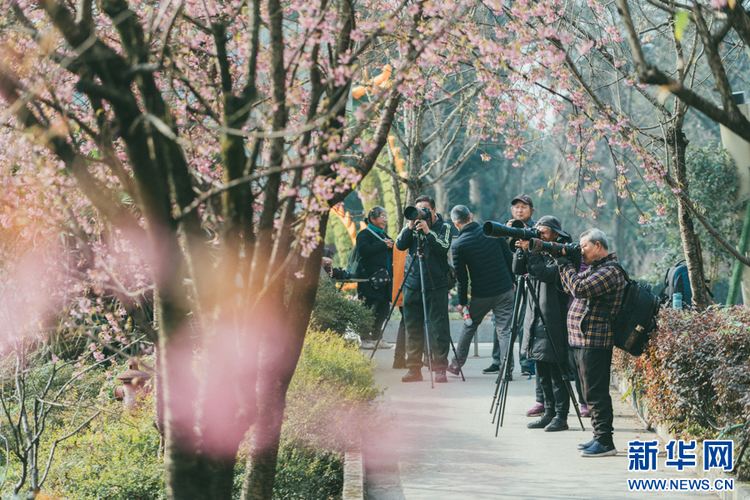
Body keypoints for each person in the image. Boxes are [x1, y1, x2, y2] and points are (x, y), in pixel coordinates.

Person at [557, 228, 627, 457]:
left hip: (595, 341)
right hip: (582, 340)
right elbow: (570, 285)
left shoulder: (611, 271)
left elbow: (579, 289)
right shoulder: (597, 268)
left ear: (598, 246)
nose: (581, 250)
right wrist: (566, 265)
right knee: (588, 393)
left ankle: (605, 442)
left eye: (584, 246)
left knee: (596, 394)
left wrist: (565, 264)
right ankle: (598, 436)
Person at [514, 216, 572, 432]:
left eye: (544, 232)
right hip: (535, 319)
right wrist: (521, 251)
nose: (539, 235)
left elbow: (546, 274)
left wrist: (533, 251)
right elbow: (518, 270)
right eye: (537, 231)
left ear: (556, 234)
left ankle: (562, 417)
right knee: (541, 371)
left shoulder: (563, 254)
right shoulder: (538, 252)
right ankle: (549, 413)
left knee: (558, 373)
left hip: (554, 321)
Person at [447, 205, 514, 377]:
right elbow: (509, 257)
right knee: (503, 330)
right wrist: (512, 281)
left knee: (469, 326)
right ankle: (507, 369)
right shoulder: (492, 229)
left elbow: (462, 278)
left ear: (455, 224)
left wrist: (462, 303)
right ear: (471, 216)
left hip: (481, 294)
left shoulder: (458, 245)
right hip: (504, 288)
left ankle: (456, 365)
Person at [395, 195, 453, 383]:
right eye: (417, 209)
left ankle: (440, 368)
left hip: (436, 284)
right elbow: (400, 245)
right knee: (412, 327)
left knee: (439, 327)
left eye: (425, 209)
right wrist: (410, 226)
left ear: (434, 210)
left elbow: (442, 247)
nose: (420, 213)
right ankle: (414, 369)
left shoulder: (445, 227)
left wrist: (428, 232)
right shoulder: (411, 226)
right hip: (413, 282)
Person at [506, 194, 537, 378]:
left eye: (523, 207)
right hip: (511, 283)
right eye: (516, 207)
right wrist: (507, 234)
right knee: (507, 323)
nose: (519, 210)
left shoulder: (538, 228)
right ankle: (500, 362)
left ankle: (527, 363)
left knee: (529, 320)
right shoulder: (507, 228)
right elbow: (502, 256)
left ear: (531, 211)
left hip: (532, 280)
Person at [356, 207, 394, 350]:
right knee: (368, 309)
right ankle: (365, 339)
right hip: (369, 281)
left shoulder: (384, 235)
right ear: (372, 218)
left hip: (385, 281)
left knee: (383, 310)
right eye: (382, 217)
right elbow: (364, 250)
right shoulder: (364, 234)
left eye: (386, 217)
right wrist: (383, 244)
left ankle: (377, 338)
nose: (384, 220)